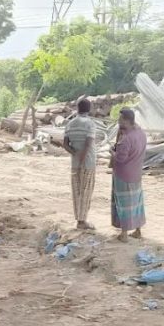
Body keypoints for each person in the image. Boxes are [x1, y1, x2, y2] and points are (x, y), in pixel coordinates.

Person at [110, 108, 147, 242]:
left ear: (126, 120)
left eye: (120, 119)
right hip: (136, 173)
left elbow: (120, 159)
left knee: (123, 204)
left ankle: (124, 233)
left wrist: (112, 153)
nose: (118, 122)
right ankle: (138, 230)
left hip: (123, 175)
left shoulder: (126, 139)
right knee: (137, 203)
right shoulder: (141, 134)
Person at [63, 98, 97, 230]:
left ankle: (79, 219)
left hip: (75, 163)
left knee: (76, 191)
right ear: (89, 109)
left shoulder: (70, 124)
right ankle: (82, 221)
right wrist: (83, 158)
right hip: (87, 163)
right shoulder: (90, 124)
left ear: (77, 108)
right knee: (86, 191)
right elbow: (88, 144)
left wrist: (75, 154)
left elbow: (65, 144)